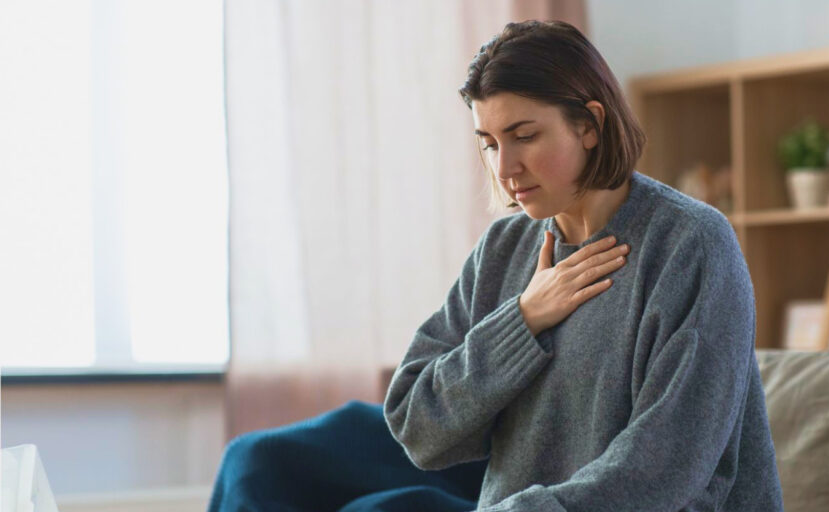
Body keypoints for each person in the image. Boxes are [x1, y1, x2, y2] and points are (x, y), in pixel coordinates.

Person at [208, 19, 783, 512]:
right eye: (488, 141)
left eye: (524, 136)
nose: (504, 167)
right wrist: (523, 318)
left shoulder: (692, 245)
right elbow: (417, 427)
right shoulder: (506, 248)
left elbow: (667, 468)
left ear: (589, 123)